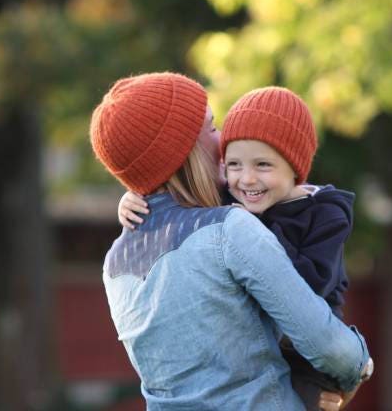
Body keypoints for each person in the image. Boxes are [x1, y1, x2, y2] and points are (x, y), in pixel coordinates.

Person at [91, 72, 372, 411]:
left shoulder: (115, 263)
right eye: (211, 127)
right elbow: (331, 349)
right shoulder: (229, 229)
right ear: (184, 151)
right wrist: (358, 366)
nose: (222, 139)